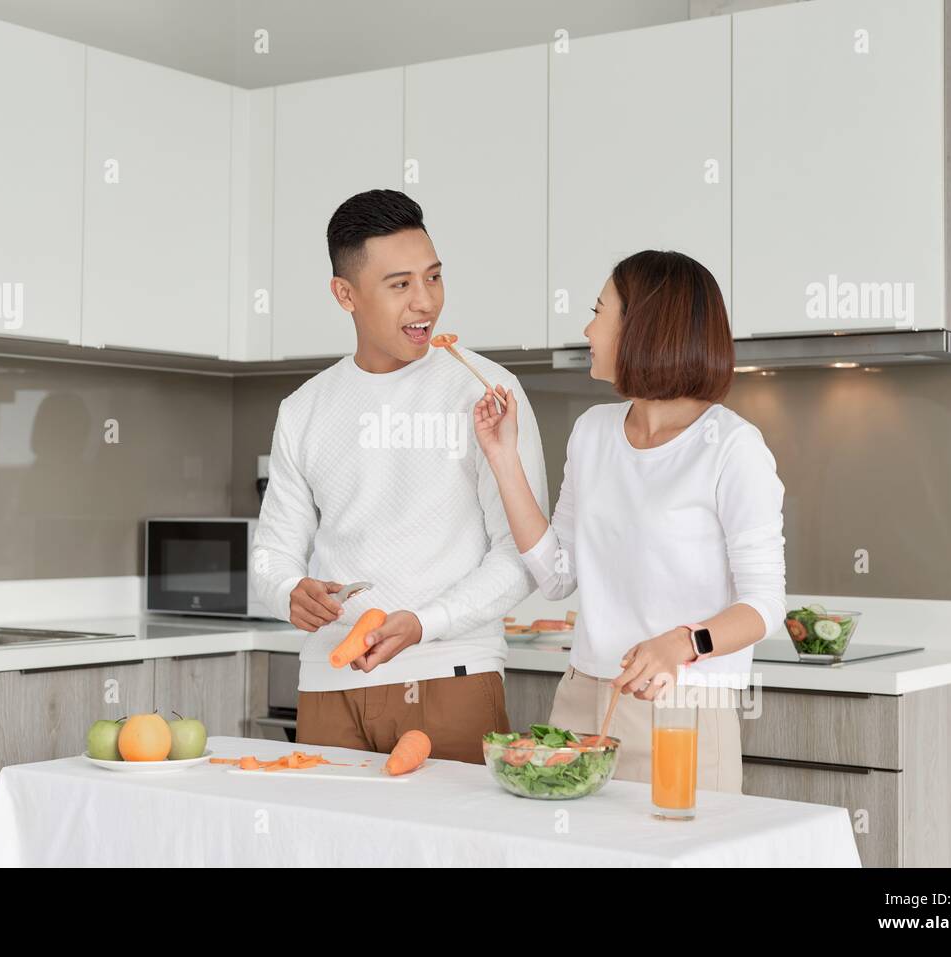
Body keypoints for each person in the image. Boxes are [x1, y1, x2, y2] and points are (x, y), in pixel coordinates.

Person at [250, 188, 549, 763]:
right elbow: (273, 552)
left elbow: (520, 556)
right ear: (345, 294)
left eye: (433, 278)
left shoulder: (487, 394)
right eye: (400, 285)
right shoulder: (305, 408)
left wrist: (425, 623)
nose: (425, 303)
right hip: (328, 683)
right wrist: (289, 591)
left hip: (450, 675)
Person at [472, 249, 786, 791]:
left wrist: (683, 643)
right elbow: (557, 575)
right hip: (580, 698)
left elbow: (765, 605)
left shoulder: (733, 448)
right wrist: (503, 457)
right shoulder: (593, 431)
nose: (587, 327)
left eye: (599, 311)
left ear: (644, 327)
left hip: (681, 710)